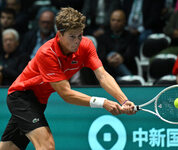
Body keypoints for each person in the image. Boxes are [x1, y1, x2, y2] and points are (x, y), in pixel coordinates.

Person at [0, 7, 136, 150]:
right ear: (59, 34)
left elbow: (103, 75)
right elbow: (66, 94)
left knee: (9, 148)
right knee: (46, 145)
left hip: (38, 101)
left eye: (80, 35)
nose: (77, 41)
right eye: (72, 36)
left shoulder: (86, 45)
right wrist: (103, 102)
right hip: (21, 96)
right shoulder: (47, 53)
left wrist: (124, 100)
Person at [97, 9, 139, 79]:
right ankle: (129, 78)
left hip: (126, 65)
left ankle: (127, 78)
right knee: (111, 55)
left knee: (113, 55)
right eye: (113, 20)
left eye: (118, 21)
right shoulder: (103, 37)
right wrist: (108, 59)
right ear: (110, 21)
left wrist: (122, 58)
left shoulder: (131, 37)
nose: (115, 23)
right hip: (107, 70)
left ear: (124, 22)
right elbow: (100, 56)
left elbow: (131, 54)